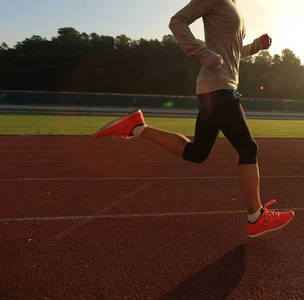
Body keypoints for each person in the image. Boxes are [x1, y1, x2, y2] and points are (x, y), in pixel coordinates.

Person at [94, 0, 293, 238]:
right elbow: (177, 22)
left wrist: (256, 46)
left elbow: (232, 51)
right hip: (219, 87)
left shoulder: (233, 5)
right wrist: (203, 54)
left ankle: (137, 127)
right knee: (248, 148)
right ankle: (256, 217)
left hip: (218, 87)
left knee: (197, 153)